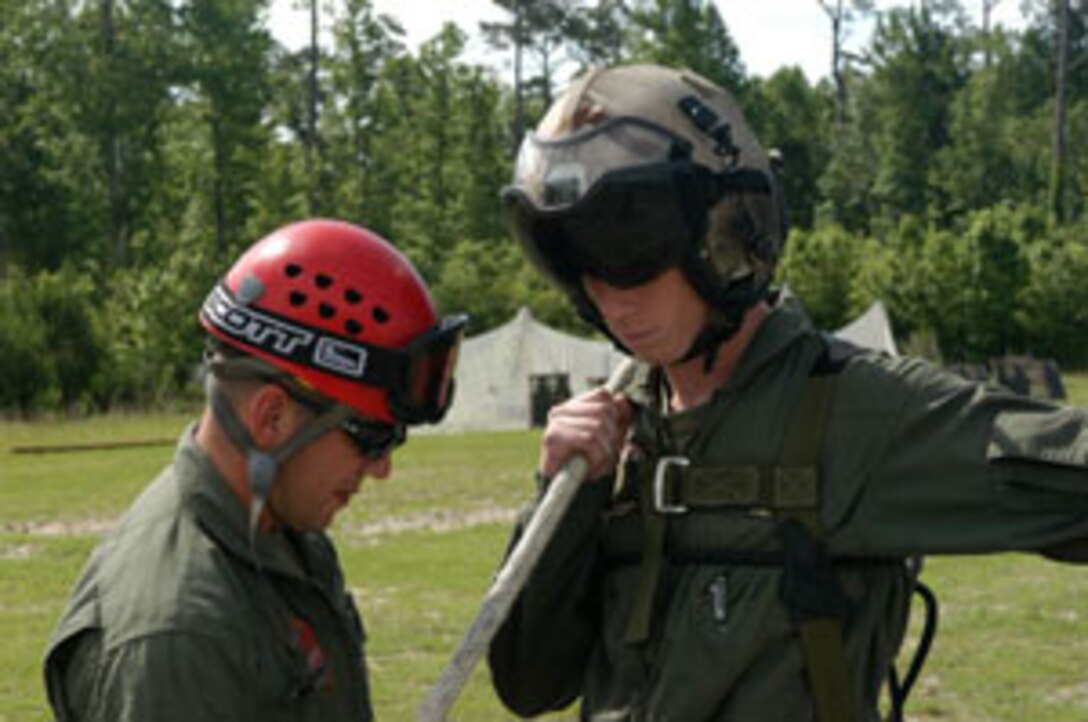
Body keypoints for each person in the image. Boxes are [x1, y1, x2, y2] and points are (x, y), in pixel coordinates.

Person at [487, 63, 1088, 722]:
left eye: (631, 245)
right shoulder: (617, 436)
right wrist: (566, 497)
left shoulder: (857, 411)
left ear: (727, 232)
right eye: (576, 257)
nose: (608, 290)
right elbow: (530, 682)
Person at [44, 219, 467, 721]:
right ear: (272, 417)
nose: (382, 468)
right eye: (370, 436)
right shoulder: (177, 637)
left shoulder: (277, 536)